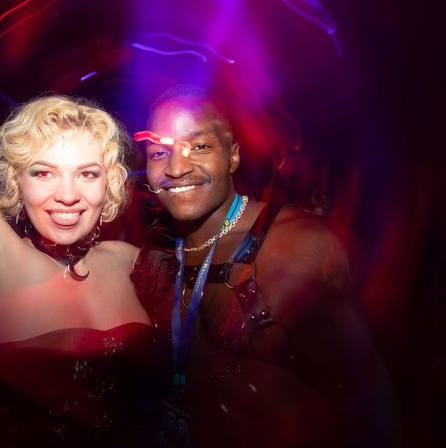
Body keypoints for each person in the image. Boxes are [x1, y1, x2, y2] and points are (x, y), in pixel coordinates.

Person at [0, 0, 151, 444]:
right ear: (16, 183)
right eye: (43, 173)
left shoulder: (132, 262)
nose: (67, 195)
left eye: (87, 174)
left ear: (109, 185)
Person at [131, 86, 398, 447]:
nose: (176, 168)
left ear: (233, 157)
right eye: (160, 152)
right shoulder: (153, 253)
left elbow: (373, 394)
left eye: (200, 146)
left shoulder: (307, 245)